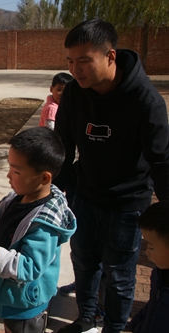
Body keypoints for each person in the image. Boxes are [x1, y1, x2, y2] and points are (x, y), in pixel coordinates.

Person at [53, 19, 169, 333]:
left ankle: (115, 328)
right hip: (85, 196)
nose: (76, 70)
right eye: (71, 62)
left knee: (119, 277)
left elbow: (162, 162)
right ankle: (86, 317)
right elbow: (63, 144)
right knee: (84, 263)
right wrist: (53, 191)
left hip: (127, 206)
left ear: (110, 56)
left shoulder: (146, 102)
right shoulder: (75, 94)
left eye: (84, 61)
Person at [0, 126, 76, 333]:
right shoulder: (19, 195)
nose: (8, 175)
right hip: (10, 290)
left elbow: (29, 268)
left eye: (15, 171)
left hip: (24, 305)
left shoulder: (44, 225)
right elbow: (1, 215)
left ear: (44, 178)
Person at [125, 201, 169, 333]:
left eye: (150, 246)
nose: (146, 252)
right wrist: (137, 324)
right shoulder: (160, 273)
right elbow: (152, 306)